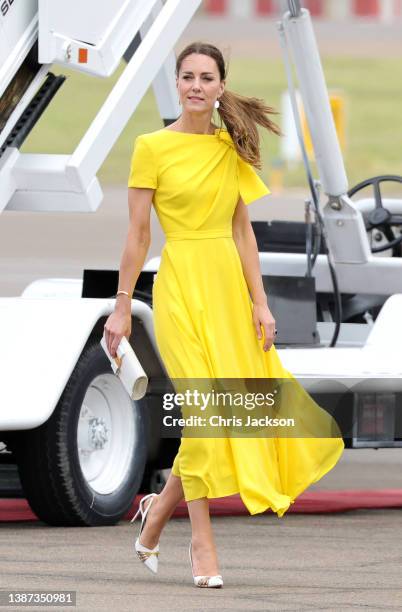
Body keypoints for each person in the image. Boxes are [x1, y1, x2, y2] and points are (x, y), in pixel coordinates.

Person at [104, 41, 345, 588]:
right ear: (177, 84)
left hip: (228, 291)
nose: (195, 85)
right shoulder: (150, 148)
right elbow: (138, 234)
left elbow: (242, 231)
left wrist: (260, 302)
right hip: (181, 287)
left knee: (230, 413)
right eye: (186, 76)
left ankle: (157, 512)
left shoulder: (229, 147)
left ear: (219, 87)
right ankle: (202, 544)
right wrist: (121, 307)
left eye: (205, 77)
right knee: (205, 421)